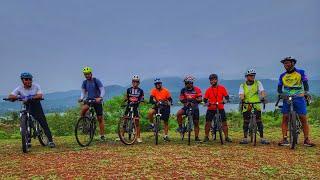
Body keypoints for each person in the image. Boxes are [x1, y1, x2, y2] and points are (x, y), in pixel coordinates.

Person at [7, 72, 55, 148]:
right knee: (27, 121)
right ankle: (28, 141)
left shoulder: (36, 86)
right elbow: (11, 95)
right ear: (22, 80)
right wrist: (16, 97)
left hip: (36, 105)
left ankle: (51, 141)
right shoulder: (19, 88)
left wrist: (30, 97)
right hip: (27, 106)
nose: (29, 81)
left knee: (43, 123)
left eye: (30, 79)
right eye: (26, 79)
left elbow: (40, 95)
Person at [277, 57, 315, 147]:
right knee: (285, 118)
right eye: (284, 63)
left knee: (303, 118)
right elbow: (279, 87)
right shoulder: (282, 75)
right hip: (287, 97)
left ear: (293, 63)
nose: (286, 65)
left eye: (288, 63)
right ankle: (285, 138)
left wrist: (305, 92)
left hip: (299, 96)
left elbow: (305, 83)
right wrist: (281, 93)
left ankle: (306, 139)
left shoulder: (300, 72)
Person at [239, 69, 269, 145]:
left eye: (253, 75)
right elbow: (241, 94)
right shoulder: (242, 85)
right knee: (246, 121)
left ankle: (262, 138)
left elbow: (262, 91)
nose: (252, 77)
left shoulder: (258, 83)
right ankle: (245, 138)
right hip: (246, 105)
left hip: (256, 104)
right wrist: (242, 99)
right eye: (251, 75)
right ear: (247, 76)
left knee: (259, 121)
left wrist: (263, 97)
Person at [79, 66, 106, 141]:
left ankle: (102, 135)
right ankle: (83, 123)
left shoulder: (96, 80)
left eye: (88, 74)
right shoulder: (84, 82)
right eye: (85, 74)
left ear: (91, 73)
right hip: (89, 100)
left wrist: (100, 97)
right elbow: (83, 92)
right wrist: (81, 98)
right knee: (83, 109)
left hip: (97, 100)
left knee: (100, 118)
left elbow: (102, 90)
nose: (87, 75)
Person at [203, 74, 232, 142]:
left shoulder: (222, 88)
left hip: (220, 108)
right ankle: (206, 136)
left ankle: (226, 137)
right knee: (208, 123)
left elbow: (227, 97)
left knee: (224, 123)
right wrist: (207, 103)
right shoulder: (208, 90)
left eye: (214, 79)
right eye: (211, 80)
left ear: (217, 80)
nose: (212, 81)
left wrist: (224, 101)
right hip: (211, 108)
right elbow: (205, 99)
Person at [176, 75, 202, 142]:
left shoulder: (197, 89)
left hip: (195, 107)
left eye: (190, 83)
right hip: (186, 106)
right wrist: (186, 102)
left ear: (192, 83)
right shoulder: (183, 90)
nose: (188, 84)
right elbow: (181, 98)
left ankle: (196, 137)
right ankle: (180, 127)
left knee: (196, 123)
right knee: (178, 113)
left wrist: (195, 101)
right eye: (187, 83)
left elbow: (200, 98)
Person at [124, 75, 144, 143]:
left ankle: (138, 137)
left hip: (136, 107)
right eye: (134, 81)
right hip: (129, 106)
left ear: (139, 83)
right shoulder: (128, 89)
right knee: (125, 120)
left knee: (137, 122)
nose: (135, 83)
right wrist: (123, 102)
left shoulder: (140, 91)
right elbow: (126, 97)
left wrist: (141, 100)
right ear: (132, 82)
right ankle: (122, 135)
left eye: (137, 82)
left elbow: (142, 98)